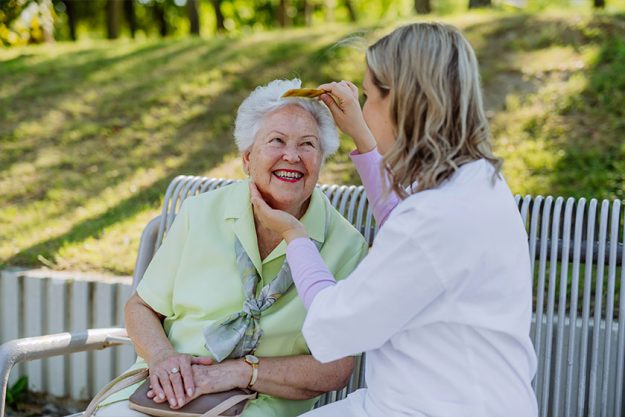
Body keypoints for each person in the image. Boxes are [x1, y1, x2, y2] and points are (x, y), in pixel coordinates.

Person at [250, 22, 538, 417]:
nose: (364, 110)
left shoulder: (437, 217)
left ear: (402, 101)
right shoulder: (478, 182)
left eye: (369, 95)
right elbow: (404, 219)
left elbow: (334, 327)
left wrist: (295, 236)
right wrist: (363, 137)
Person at [93, 79, 369, 417]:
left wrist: (243, 372)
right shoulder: (201, 212)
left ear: (321, 159)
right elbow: (141, 307)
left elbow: (337, 367)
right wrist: (163, 358)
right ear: (248, 158)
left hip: (262, 401)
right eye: (277, 141)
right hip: (165, 389)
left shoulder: (347, 245)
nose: (292, 156)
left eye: (307, 145)